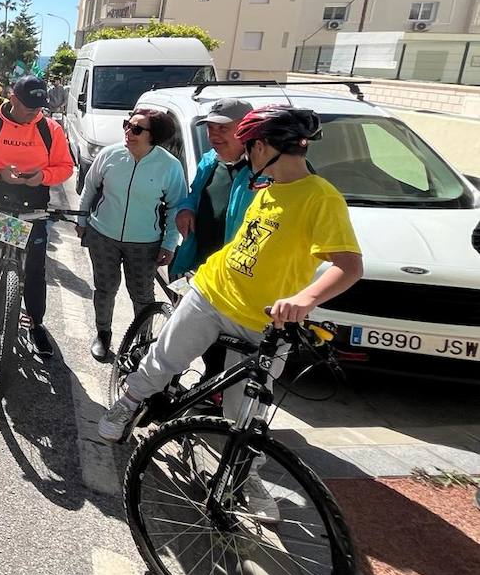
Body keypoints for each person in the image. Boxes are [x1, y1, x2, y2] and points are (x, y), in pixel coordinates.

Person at [100, 108, 364, 481]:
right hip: (212, 293)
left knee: (245, 415)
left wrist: (305, 300)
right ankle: (127, 404)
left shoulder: (320, 197)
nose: (248, 153)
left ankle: (243, 479)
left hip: (263, 321)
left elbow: (349, 266)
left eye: (252, 145)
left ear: (266, 146)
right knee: (164, 360)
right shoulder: (267, 185)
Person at [0, 76, 74, 353]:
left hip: (32, 206)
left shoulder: (50, 129)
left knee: (34, 269)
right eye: (30, 106)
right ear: (13, 98)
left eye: (40, 106)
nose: (36, 112)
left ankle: (35, 324)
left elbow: (65, 167)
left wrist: (42, 176)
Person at [77, 108, 187, 361]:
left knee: (142, 296)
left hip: (145, 243)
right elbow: (89, 188)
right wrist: (82, 221)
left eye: (137, 129)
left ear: (154, 136)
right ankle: (103, 334)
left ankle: (142, 344)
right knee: (104, 288)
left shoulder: (169, 167)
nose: (128, 131)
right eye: (127, 125)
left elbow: (175, 209)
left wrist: (169, 243)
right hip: (102, 235)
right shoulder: (110, 154)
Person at [170, 99, 255, 383]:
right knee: (181, 333)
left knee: (220, 340)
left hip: (232, 273)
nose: (215, 135)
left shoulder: (262, 173)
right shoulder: (210, 160)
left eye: (223, 128)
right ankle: (168, 388)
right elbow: (195, 192)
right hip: (198, 260)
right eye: (211, 128)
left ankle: (212, 387)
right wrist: (186, 207)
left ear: (246, 129)